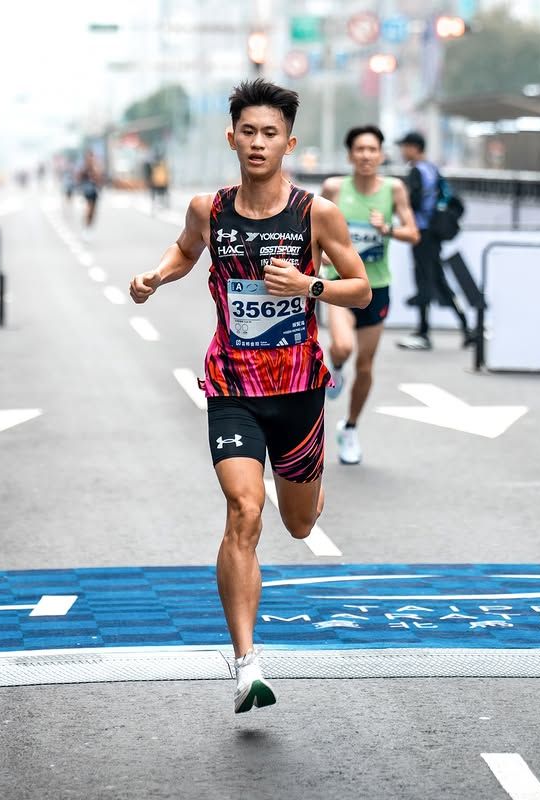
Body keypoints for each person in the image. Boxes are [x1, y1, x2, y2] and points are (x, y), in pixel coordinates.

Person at [129, 79, 370, 713]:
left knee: (298, 523)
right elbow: (185, 251)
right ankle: (245, 664)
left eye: (270, 134)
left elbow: (361, 288)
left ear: (289, 142)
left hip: (299, 389)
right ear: (231, 137)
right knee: (244, 508)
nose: (258, 143)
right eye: (248, 132)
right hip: (233, 384)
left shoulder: (316, 214)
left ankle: (309, 484)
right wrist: (156, 276)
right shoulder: (208, 209)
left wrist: (308, 286)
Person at [321, 125, 419, 465]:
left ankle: (350, 428)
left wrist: (386, 229)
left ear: (381, 155)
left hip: (376, 288)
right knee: (342, 346)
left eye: (372, 149)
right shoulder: (335, 188)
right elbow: (314, 229)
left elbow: (413, 233)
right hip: (340, 283)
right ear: (350, 155)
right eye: (360, 149)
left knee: (365, 366)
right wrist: (321, 255)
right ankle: (335, 366)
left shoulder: (394, 189)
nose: (366, 155)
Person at [396, 131, 474, 350]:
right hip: (434, 234)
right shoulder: (432, 168)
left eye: (404, 146)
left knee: (423, 281)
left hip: (422, 233)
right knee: (438, 281)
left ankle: (423, 333)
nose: (402, 151)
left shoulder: (416, 171)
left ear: (414, 147)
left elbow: (414, 202)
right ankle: (466, 327)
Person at [77, 150, 102, 239]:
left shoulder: (96, 167)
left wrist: (95, 174)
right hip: (87, 191)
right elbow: (79, 178)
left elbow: (99, 180)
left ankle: (89, 226)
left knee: (93, 211)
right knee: (89, 209)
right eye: (89, 157)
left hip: (94, 191)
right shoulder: (84, 168)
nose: (90, 159)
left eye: (92, 157)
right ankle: (86, 227)